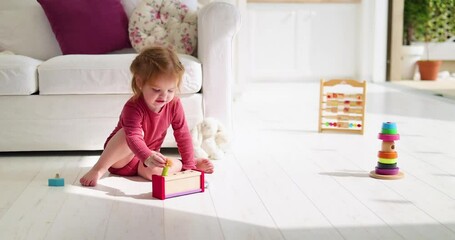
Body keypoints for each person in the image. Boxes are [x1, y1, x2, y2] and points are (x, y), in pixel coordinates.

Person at [80, 46, 214, 187]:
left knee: (156, 173)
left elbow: (183, 135)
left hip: (146, 162)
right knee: (128, 133)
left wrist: (189, 165)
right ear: (140, 83)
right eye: (156, 90)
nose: (164, 96)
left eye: (170, 90)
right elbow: (133, 137)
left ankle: (184, 163)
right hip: (120, 159)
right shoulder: (133, 107)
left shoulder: (174, 104)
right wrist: (147, 156)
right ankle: (98, 169)